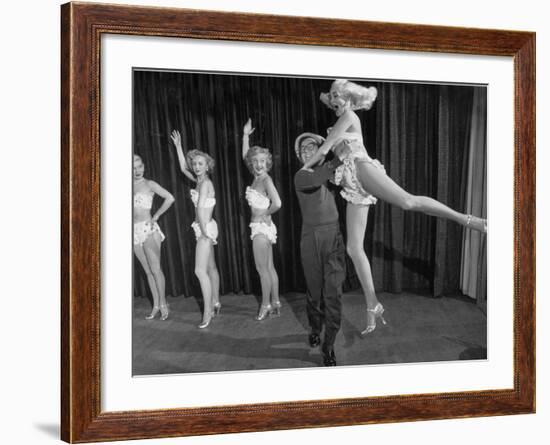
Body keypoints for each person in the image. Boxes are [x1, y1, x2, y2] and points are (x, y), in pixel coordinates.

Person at [301, 79, 487, 335]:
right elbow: (329, 119)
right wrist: (329, 97)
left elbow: (324, 148)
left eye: (338, 95)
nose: (334, 100)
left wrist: (303, 168)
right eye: (332, 96)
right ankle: (372, 304)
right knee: (354, 248)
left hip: (362, 169)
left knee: (408, 201)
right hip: (352, 182)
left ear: (348, 98)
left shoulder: (349, 116)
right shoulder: (340, 112)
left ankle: (466, 219)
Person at [294, 132, 348, 366]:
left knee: (333, 294)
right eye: (304, 149)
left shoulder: (331, 174)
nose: (309, 150)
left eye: (313, 147)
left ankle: (329, 345)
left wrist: (333, 147)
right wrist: (334, 159)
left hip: (333, 235)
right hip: (311, 239)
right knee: (315, 293)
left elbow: (337, 163)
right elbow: (317, 177)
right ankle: (316, 328)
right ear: (299, 156)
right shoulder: (301, 176)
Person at [171, 131, 221, 329]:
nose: (196, 167)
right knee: (211, 267)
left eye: (201, 164)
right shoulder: (199, 180)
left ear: (208, 165)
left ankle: (208, 311)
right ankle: (216, 302)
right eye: (195, 164)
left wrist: (203, 232)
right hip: (205, 226)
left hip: (204, 228)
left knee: (199, 271)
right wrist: (178, 146)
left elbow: (200, 209)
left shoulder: (206, 183)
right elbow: (184, 168)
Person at [241, 119, 282, 320]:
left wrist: (265, 214)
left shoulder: (265, 179)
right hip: (262, 227)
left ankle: (265, 305)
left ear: (267, 163)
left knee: (262, 269)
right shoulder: (256, 177)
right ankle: (276, 302)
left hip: (261, 228)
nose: (258, 164)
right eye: (255, 161)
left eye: (262, 161)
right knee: (270, 267)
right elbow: (245, 155)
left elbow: (278, 203)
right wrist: (245, 136)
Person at [133, 154, 175, 321]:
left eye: (139, 166)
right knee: (148, 271)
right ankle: (156, 305)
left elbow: (170, 198)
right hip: (133, 232)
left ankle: (164, 304)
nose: (137, 170)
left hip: (149, 229)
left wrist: (156, 215)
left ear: (144, 165)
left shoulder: (149, 184)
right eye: (133, 167)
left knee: (156, 269)